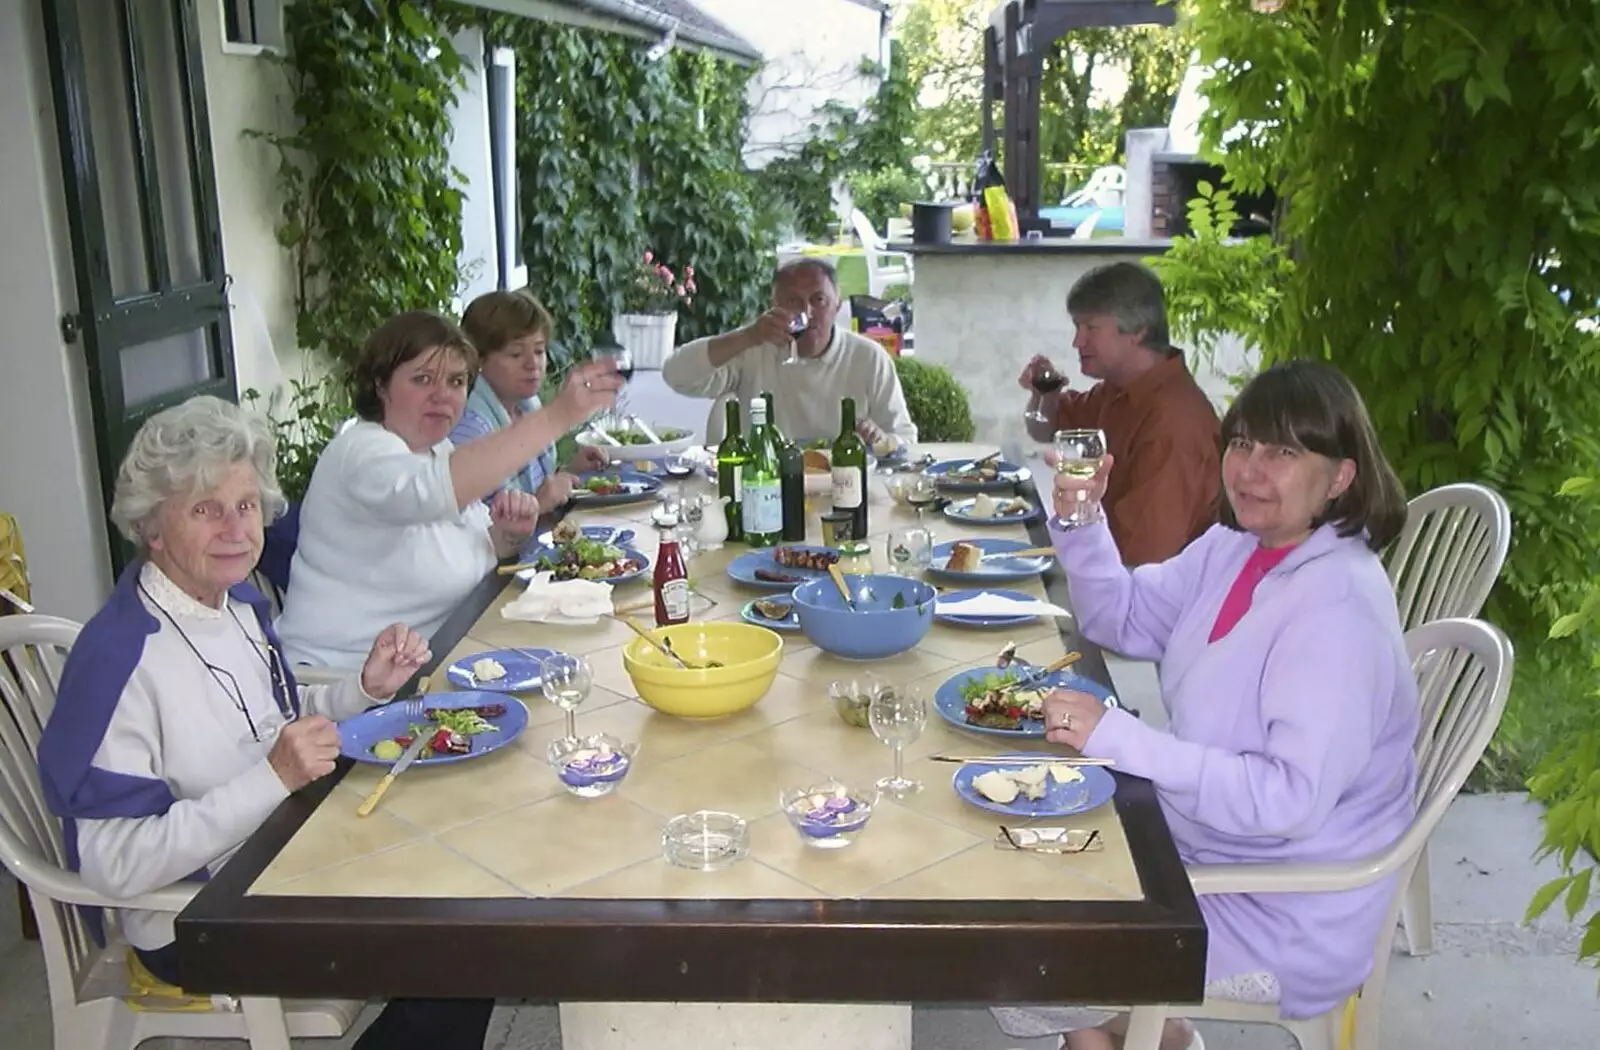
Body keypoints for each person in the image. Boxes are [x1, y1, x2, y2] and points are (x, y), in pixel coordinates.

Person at [36, 395, 494, 1049]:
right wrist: (272, 780)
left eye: (246, 506)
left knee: (470, 881)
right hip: (199, 918)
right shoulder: (119, 660)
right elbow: (112, 865)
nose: (235, 529)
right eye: (205, 509)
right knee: (467, 948)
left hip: (283, 857)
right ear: (152, 528)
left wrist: (360, 690)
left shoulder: (237, 604)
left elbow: (275, 724)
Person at [994, 361, 1416, 1050]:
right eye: (1243, 442)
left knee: (1034, 957)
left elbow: (1286, 803)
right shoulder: (1235, 546)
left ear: (1340, 477)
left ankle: (1146, 1033)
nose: (1250, 469)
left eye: (1284, 452)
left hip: (1286, 909)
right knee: (1017, 891)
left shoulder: (1337, 610)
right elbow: (1119, 618)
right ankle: (1149, 1037)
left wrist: (1124, 738)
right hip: (1198, 849)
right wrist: (1080, 517)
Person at [276, 310, 621, 668]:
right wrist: (557, 415)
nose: (442, 396)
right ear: (381, 384)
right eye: (423, 379)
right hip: (346, 687)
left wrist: (508, 535)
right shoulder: (361, 451)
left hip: (443, 656)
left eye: (456, 382)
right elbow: (429, 493)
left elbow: (465, 548)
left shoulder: (436, 450)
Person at [1018, 261, 1221, 566]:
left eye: (1090, 328)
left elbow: (1143, 565)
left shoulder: (1174, 424)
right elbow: (1044, 430)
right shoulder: (1117, 389)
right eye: (1077, 327)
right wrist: (1044, 393)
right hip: (1110, 580)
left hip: (1147, 600)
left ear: (1137, 330)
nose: (1077, 342)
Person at [662, 257, 917, 448]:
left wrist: (883, 441)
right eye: (794, 301)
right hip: (765, 486)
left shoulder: (868, 358)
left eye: (819, 300)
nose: (807, 312)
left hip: (845, 486)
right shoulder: (753, 348)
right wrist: (748, 335)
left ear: (837, 305)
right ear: (775, 305)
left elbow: (906, 441)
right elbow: (676, 376)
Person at [452, 288, 611, 508]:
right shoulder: (470, 426)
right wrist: (539, 504)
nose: (532, 364)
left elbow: (535, 486)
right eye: (516, 354)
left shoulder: (526, 404)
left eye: (539, 351)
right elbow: (470, 531)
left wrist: (570, 472)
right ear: (478, 359)